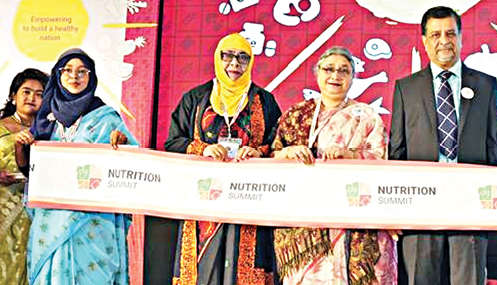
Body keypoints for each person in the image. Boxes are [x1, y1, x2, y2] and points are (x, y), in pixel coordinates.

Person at [390, 6, 497, 285]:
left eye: (451, 34)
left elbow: (494, 147)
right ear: (424, 41)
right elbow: (397, 153)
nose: (444, 41)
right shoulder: (406, 88)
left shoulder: (486, 85)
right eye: (436, 34)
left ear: (461, 37)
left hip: (471, 205)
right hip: (419, 206)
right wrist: (395, 209)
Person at [164, 33, 282, 284]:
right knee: (203, 267)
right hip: (204, 198)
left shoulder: (265, 101)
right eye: (228, 56)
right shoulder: (196, 99)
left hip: (249, 198)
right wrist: (203, 149)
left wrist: (258, 152)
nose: (235, 63)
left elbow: (279, 144)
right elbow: (173, 142)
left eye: (242, 57)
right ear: (217, 58)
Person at [272, 46, 397, 284]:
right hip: (306, 222)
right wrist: (288, 152)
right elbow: (272, 156)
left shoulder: (366, 116)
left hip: (354, 218)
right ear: (317, 73)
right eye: (328, 69)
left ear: (353, 77)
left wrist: (348, 155)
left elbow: (381, 161)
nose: (335, 76)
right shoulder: (296, 114)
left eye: (343, 71)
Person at [15, 49, 136, 284]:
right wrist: (21, 147)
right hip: (51, 219)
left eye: (82, 71)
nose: (74, 76)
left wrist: (121, 144)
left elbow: (129, 167)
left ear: (91, 76)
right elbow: (31, 171)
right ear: (58, 75)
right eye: (68, 70)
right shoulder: (46, 117)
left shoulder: (106, 117)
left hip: (92, 222)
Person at [0, 68, 46, 285]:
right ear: (13, 96)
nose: (31, 98)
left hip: (36, 212)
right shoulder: (1, 127)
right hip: (3, 206)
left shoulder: (50, 133)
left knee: (28, 260)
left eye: (39, 94)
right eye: (26, 92)